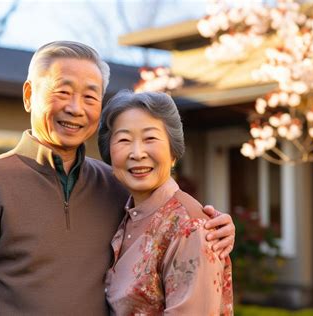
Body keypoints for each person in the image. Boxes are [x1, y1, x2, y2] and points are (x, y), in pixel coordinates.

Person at [0, 41, 235, 315]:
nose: (76, 108)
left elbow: (169, 222)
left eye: (90, 96)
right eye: (62, 92)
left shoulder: (116, 185)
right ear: (29, 95)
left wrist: (213, 226)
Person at [98, 90, 233, 315]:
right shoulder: (127, 211)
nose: (137, 153)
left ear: (173, 152)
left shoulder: (190, 227)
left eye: (150, 138)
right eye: (124, 140)